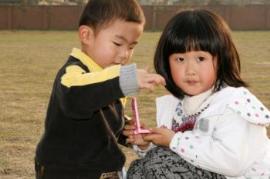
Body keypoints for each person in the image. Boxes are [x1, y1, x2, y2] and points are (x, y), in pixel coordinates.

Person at [124, 9, 270, 179]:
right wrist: (146, 146)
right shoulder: (173, 105)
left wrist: (174, 140)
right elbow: (181, 158)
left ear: (221, 59)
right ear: (166, 63)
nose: (190, 70)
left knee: (158, 162)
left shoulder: (233, 103)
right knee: (139, 169)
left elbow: (233, 163)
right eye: (180, 59)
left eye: (200, 59)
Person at [34, 0, 165, 178]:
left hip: (106, 169)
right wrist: (125, 79)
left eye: (132, 46)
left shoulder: (107, 76)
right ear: (86, 35)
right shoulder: (73, 74)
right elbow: (77, 99)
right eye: (118, 44)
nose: (125, 54)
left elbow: (103, 119)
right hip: (67, 171)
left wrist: (127, 130)